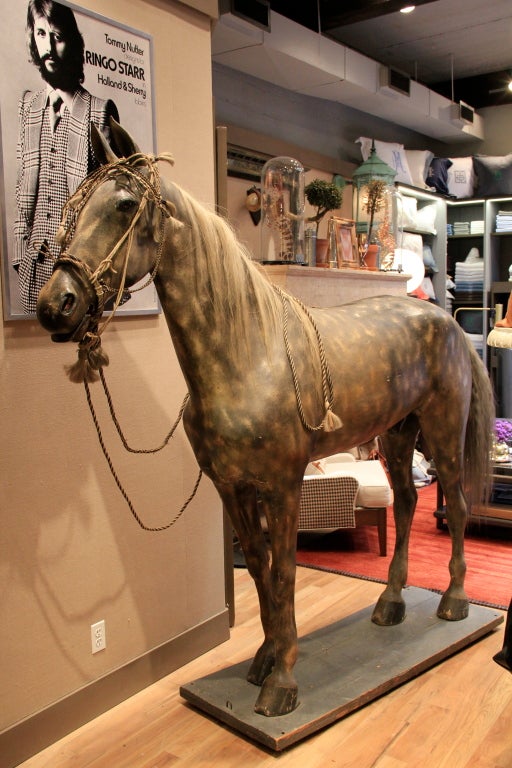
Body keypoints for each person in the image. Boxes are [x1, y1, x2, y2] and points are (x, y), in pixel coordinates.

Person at [14, 0, 119, 313]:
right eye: (42, 35)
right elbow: (22, 196)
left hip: (76, 275)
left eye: (57, 37)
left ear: (72, 43)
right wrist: (19, 259)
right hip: (31, 274)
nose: (48, 46)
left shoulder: (99, 112)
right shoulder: (29, 107)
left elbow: (109, 209)